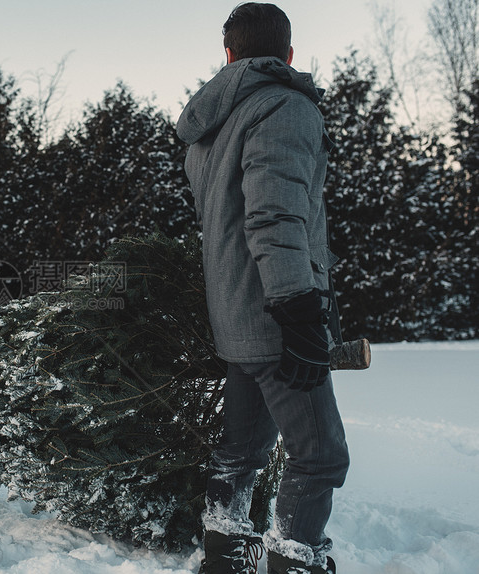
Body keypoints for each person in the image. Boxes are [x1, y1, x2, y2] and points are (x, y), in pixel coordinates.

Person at [175, 3, 349, 573]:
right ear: (289, 55)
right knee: (319, 454)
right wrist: (298, 309)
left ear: (228, 55)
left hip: (234, 316)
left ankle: (225, 555)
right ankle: (296, 562)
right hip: (276, 312)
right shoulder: (285, 105)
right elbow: (273, 217)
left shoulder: (211, 124)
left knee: (242, 449)